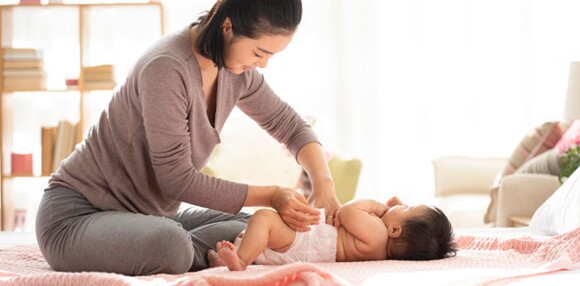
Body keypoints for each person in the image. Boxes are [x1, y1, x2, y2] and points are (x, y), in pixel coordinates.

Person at [35, 0, 340, 276]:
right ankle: (183, 249)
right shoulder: (167, 67)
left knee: (255, 224)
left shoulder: (236, 72)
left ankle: (199, 249)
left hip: (146, 216)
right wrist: (274, 193)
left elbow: (289, 125)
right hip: (76, 217)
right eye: (259, 52)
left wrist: (323, 182)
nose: (262, 65)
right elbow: (176, 180)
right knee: (172, 246)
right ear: (227, 25)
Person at [208, 196, 457, 271]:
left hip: (302, 242)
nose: (401, 203)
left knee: (264, 218)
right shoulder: (380, 248)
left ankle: (240, 260)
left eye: (408, 207)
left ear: (394, 230)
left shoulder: (379, 233)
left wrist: (377, 206)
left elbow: (347, 212)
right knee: (259, 232)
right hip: (301, 248)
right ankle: (228, 259)